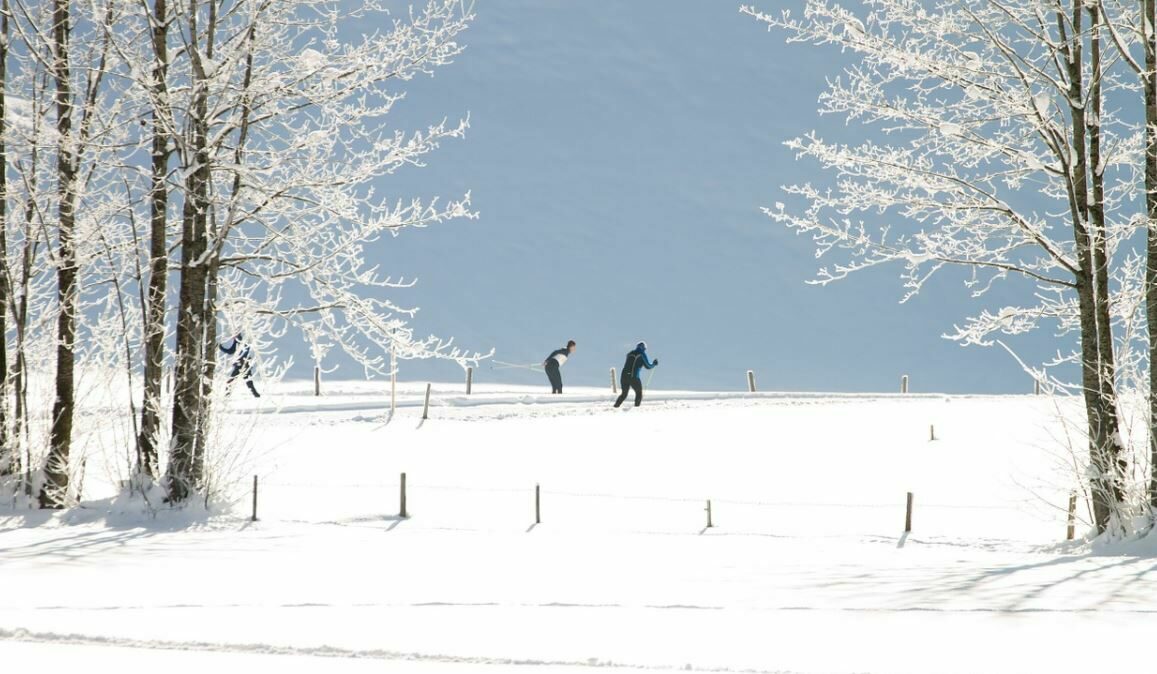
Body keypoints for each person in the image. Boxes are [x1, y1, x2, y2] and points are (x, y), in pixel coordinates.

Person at [614, 341, 658, 408]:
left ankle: (615, 407)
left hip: (623, 376)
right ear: (643, 348)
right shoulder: (641, 354)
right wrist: (654, 364)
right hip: (633, 377)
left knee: (624, 394)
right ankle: (636, 409)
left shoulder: (630, 354)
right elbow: (648, 366)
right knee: (639, 393)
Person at [220, 332, 260, 398]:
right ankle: (256, 395)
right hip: (245, 364)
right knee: (248, 381)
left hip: (241, 365)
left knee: (232, 380)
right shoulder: (241, 342)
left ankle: (227, 395)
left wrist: (221, 347)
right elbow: (233, 351)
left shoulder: (238, 342)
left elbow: (231, 351)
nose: (233, 338)